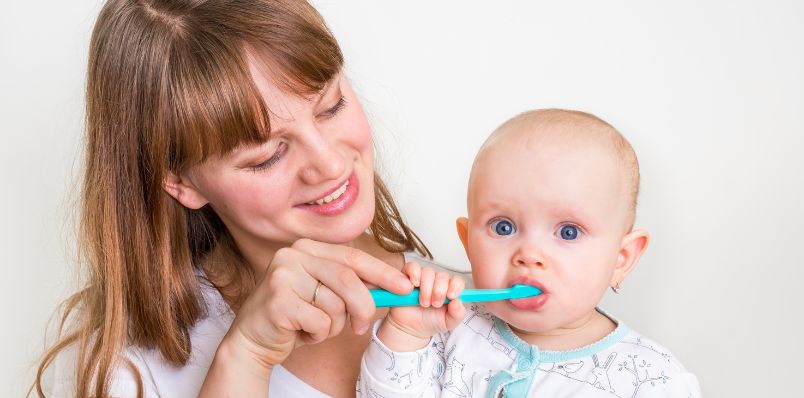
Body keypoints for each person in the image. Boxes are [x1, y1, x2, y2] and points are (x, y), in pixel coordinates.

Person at [32, 0, 468, 397]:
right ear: (181, 181)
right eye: (267, 156)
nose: (331, 164)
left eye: (331, 107)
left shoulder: (481, 307)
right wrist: (245, 355)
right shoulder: (122, 368)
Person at [358, 109, 702, 397]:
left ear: (621, 259)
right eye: (503, 227)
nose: (528, 254)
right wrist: (406, 334)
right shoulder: (445, 330)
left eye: (568, 232)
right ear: (468, 242)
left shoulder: (654, 380)